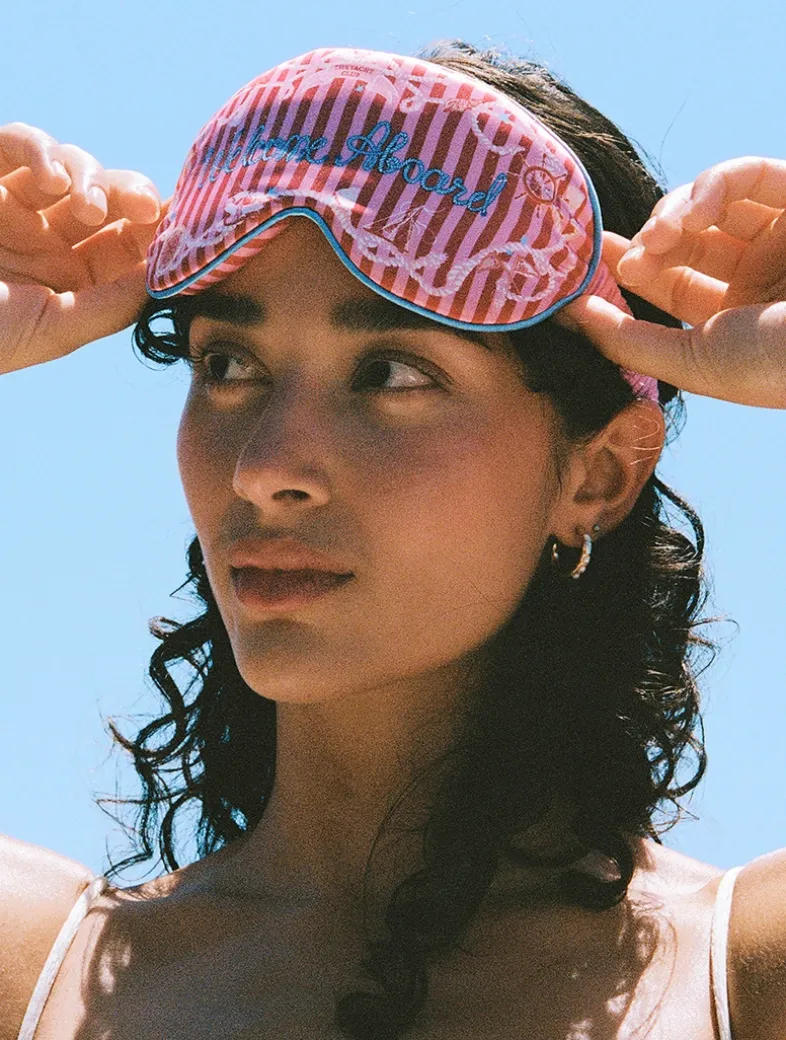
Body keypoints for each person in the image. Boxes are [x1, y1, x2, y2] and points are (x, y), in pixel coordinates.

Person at [1, 39, 784, 1040]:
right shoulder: (28, 967)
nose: (264, 467)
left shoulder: (746, 972)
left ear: (596, 475)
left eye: (392, 374)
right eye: (230, 362)